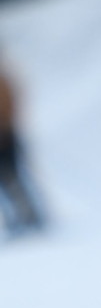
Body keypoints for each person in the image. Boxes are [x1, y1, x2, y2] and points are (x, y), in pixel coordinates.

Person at [0, 54, 44, 234]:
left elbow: (10, 105)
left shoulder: (3, 82)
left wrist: (6, 126)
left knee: (13, 177)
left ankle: (31, 216)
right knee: (4, 182)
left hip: (6, 137)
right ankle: (16, 219)